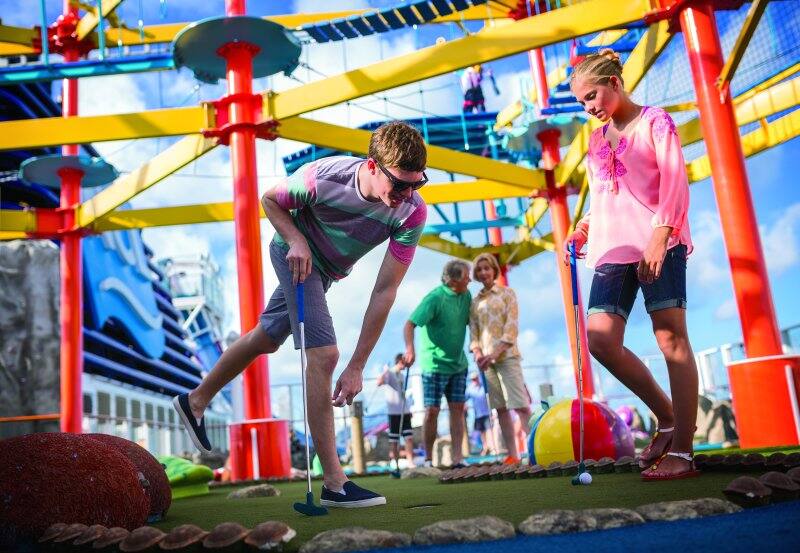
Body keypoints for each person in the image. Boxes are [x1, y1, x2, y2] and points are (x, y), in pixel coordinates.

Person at [173, 121, 429, 507]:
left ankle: (194, 401)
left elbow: (384, 291)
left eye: (417, 184)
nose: (408, 194)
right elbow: (270, 200)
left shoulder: (410, 212)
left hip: (327, 271)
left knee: (266, 338)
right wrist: (296, 239)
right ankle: (335, 483)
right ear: (372, 166)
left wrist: (358, 366)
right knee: (323, 355)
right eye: (399, 185)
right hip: (294, 255)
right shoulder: (322, 179)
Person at [566, 48, 699, 480]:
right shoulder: (595, 140)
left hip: (658, 239)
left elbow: (675, 181)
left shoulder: (656, 122)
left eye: (591, 96)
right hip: (612, 248)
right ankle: (667, 418)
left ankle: (684, 452)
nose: (588, 108)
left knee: (670, 338)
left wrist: (660, 236)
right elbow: (605, 195)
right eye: (582, 102)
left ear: (615, 84)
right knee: (601, 340)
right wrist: (584, 227)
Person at [403, 259, 472, 468]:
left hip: (458, 364)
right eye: (466, 276)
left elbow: (473, 322)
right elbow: (410, 324)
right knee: (432, 410)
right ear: (453, 280)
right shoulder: (435, 298)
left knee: (458, 409)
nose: (470, 279)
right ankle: (428, 459)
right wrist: (410, 349)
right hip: (433, 365)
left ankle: (458, 458)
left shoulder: (466, 295)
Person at [468, 253, 531, 464]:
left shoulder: (507, 294)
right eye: (479, 269)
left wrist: (494, 354)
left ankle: (534, 450)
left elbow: (511, 328)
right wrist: (479, 355)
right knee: (500, 409)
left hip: (508, 356)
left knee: (521, 405)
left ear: (494, 270)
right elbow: (474, 334)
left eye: (487, 268)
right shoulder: (475, 302)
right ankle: (512, 455)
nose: (483, 272)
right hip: (486, 363)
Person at [377, 354, 414, 466]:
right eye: (404, 362)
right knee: (394, 440)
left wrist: (408, 409)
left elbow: (402, 394)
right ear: (399, 361)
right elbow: (379, 382)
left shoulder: (402, 375)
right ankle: (395, 463)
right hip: (393, 413)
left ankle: (410, 462)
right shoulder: (390, 373)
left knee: (408, 437)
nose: (406, 365)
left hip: (404, 411)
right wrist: (385, 371)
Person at [465, 371, 492, 456]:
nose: (475, 380)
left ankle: (491, 447)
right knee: (482, 431)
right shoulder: (470, 389)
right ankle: (485, 447)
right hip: (478, 414)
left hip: (487, 413)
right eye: (473, 379)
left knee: (488, 430)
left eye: (476, 378)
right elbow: (464, 399)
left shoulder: (483, 386)